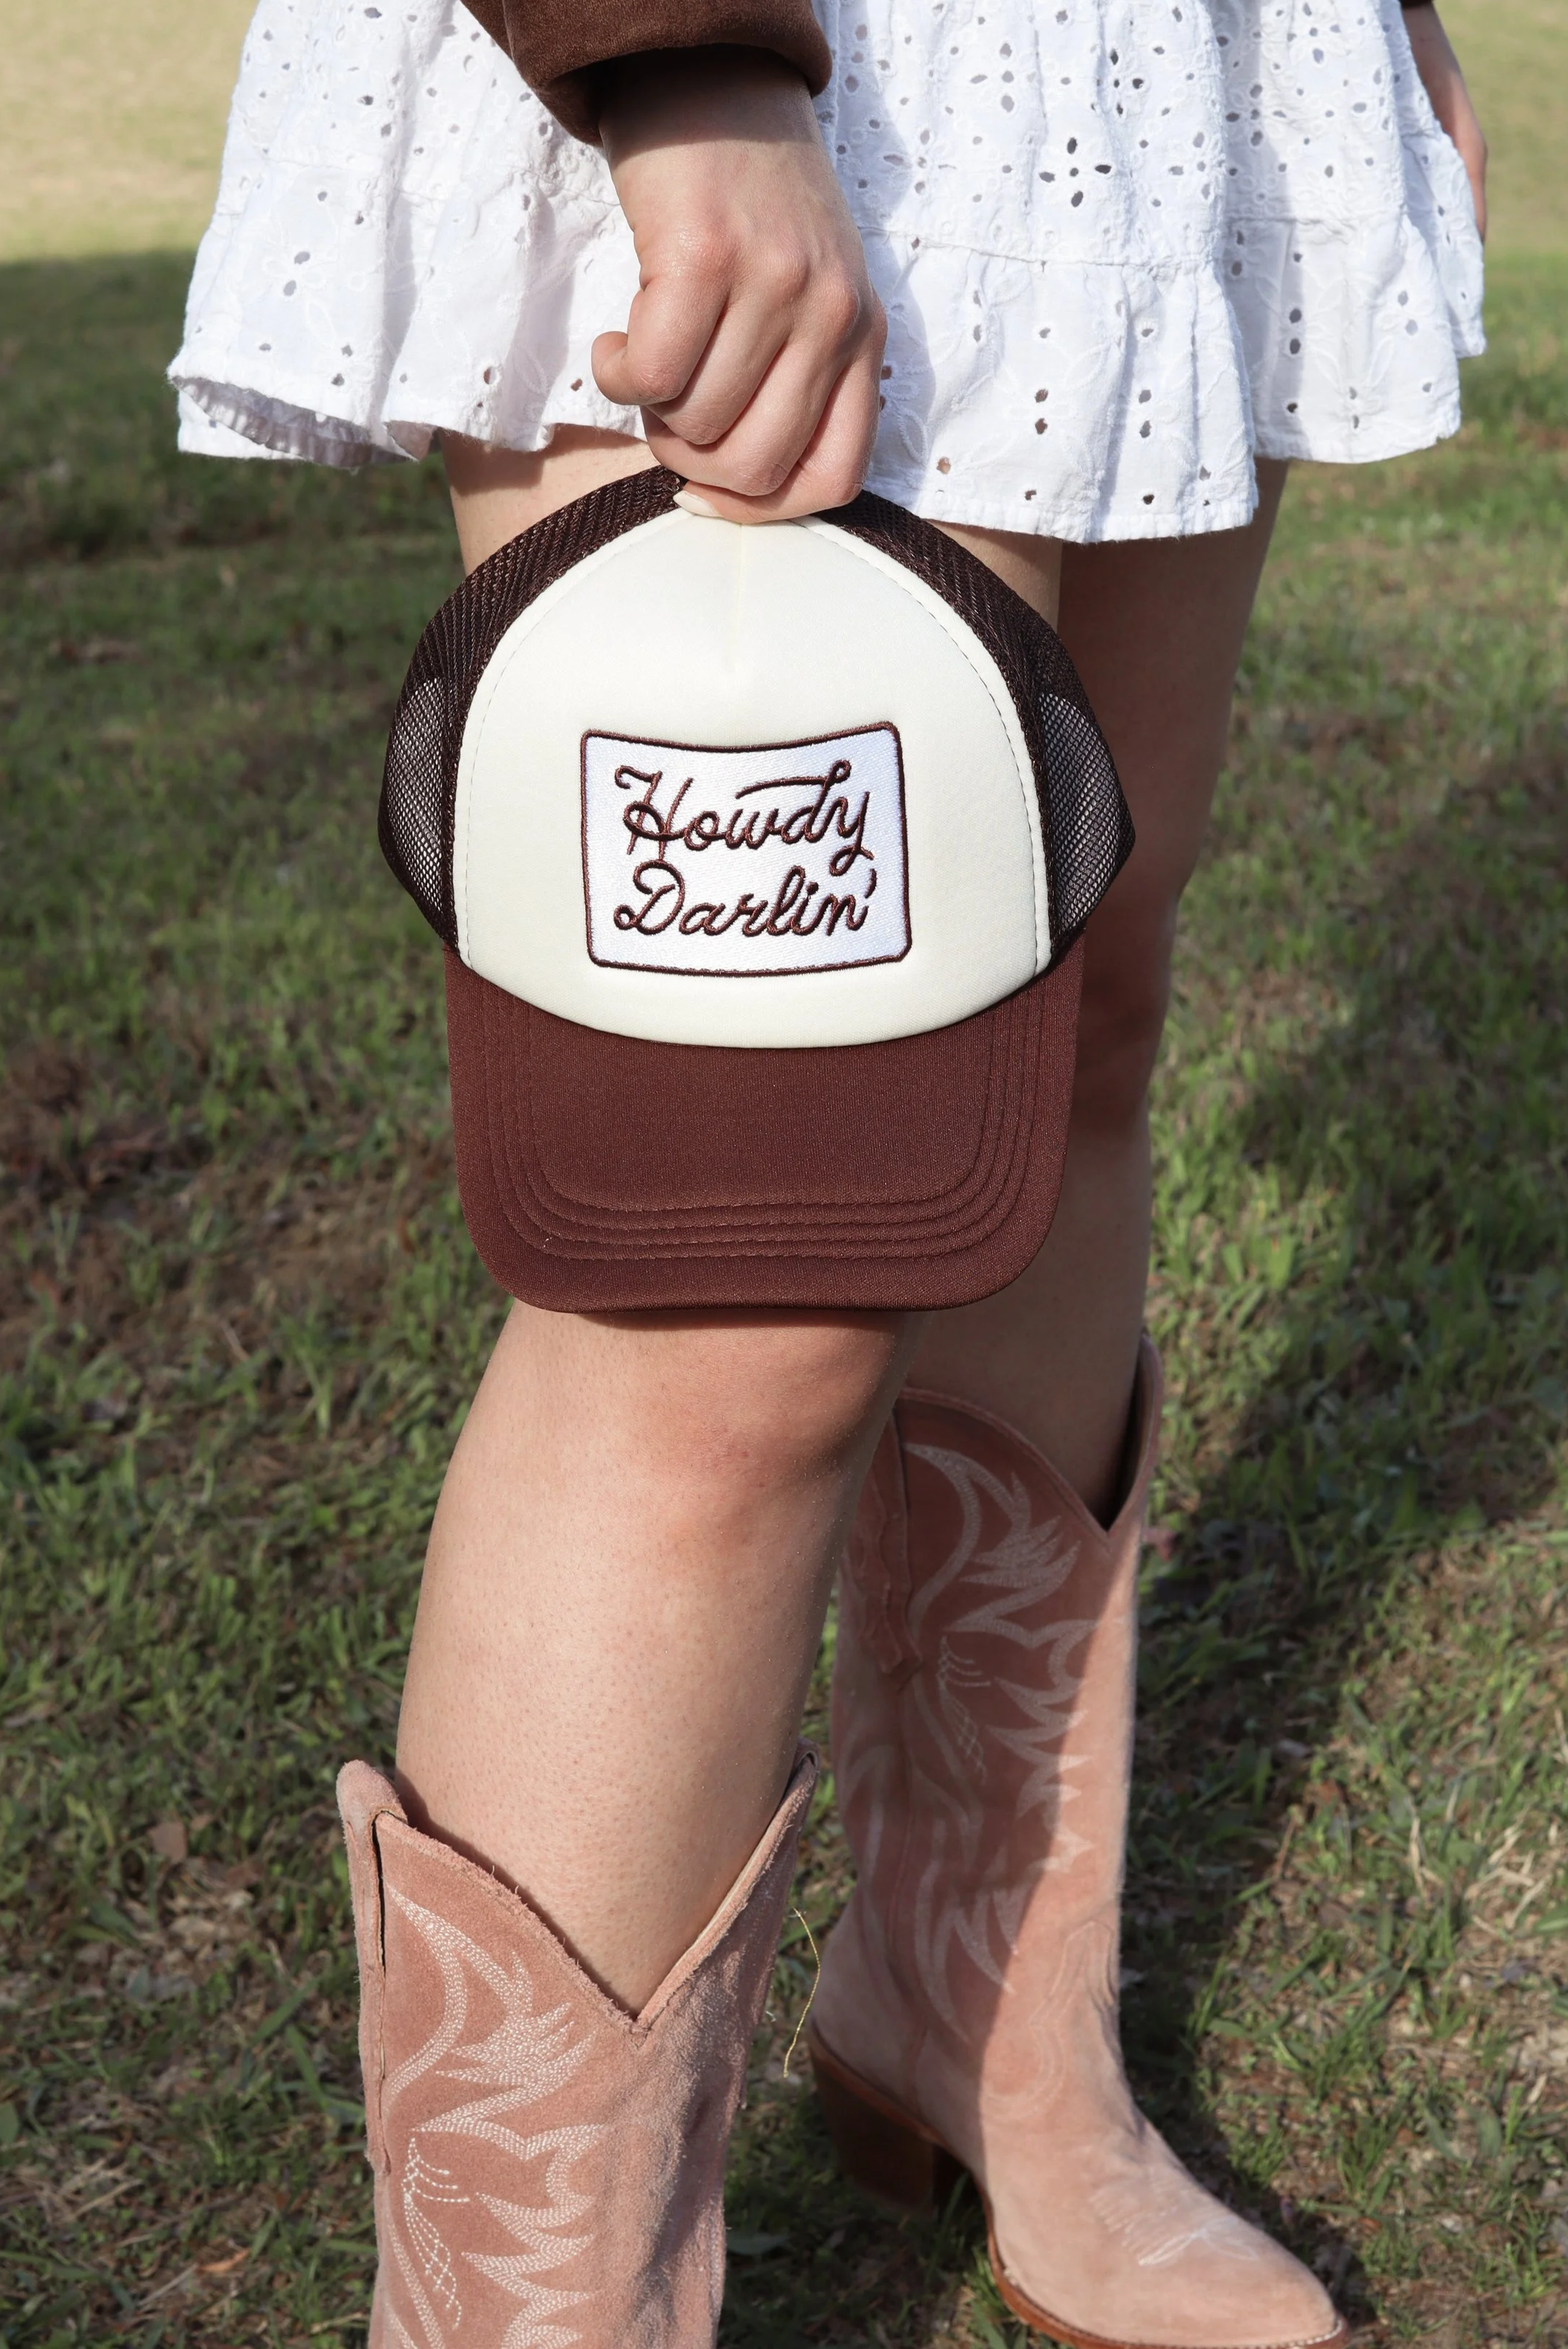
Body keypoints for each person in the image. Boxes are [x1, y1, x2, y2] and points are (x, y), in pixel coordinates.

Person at [172, 4, 1486, 2342]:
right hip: (790, 72)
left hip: (1170, 50)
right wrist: (672, 57)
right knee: (725, 1277)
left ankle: (976, 2040)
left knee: (1072, 1029)